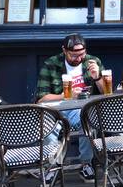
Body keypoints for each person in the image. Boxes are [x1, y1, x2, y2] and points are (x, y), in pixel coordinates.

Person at [36, 33, 105, 178]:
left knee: (87, 120)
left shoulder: (93, 62)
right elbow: (41, 99)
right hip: (56, 110)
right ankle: (53, 166)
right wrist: (65, 95)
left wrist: (97, 77)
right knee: (47, 128)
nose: (78, 59)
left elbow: (106, 93)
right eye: (74, 55)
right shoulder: (51, 64)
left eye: (81, 54)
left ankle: (86, 163)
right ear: (64, 50)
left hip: (80, 109)